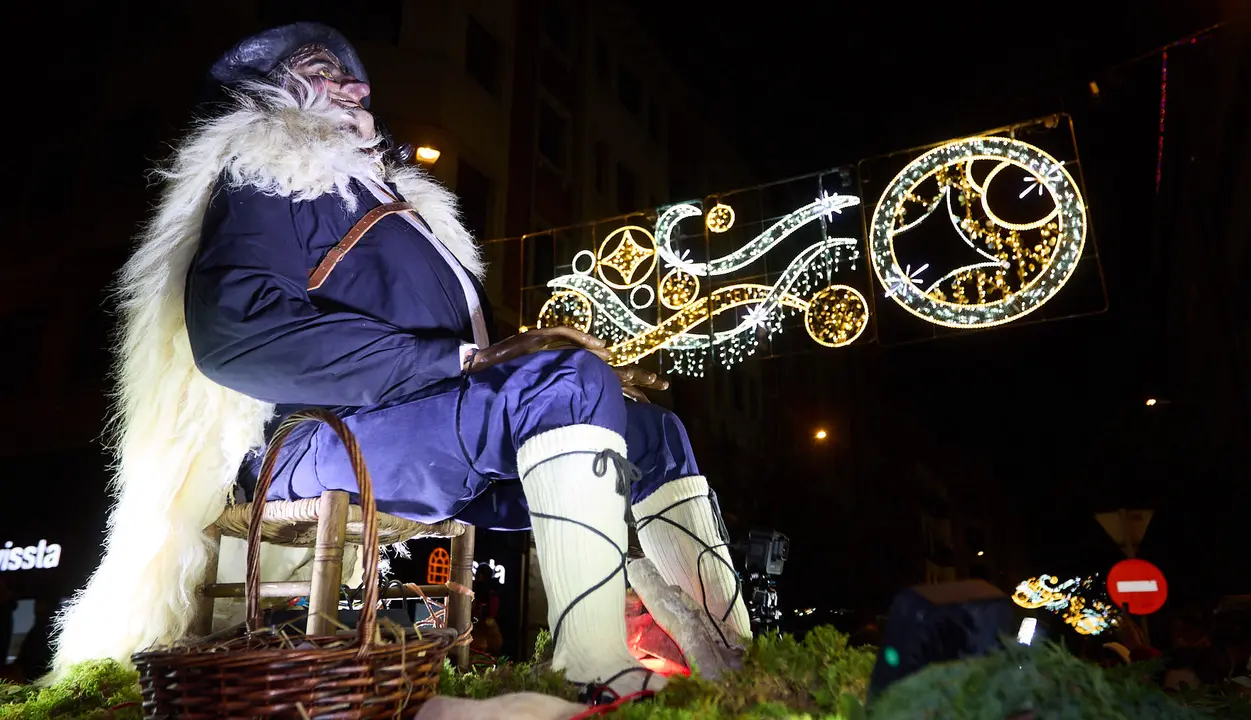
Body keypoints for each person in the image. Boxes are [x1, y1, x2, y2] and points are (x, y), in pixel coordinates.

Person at [49, 23, 750, 699]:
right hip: (312, 443)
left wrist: (576, 377)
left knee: (652, 430)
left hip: (416, 428)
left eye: (353, 77)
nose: (356, 86)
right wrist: (478, 361)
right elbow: (237, 334)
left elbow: (470, 349)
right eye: (322, 71)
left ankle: (730, 656)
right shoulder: (265, 175)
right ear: (270, 91)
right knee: (569, 385)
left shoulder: (397, 208)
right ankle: (592, 671)